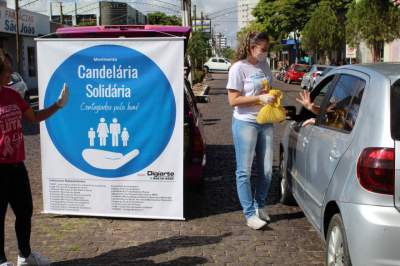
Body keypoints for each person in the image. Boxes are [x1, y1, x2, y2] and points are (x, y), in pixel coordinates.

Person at [0, 49, 68, 266]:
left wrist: (58, 105)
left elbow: (33, 117)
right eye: (7, 71)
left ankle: (25, 255)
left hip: (17, 166)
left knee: (25, 211)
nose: (11, 75)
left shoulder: (12, 94)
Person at [226, 31, 276, 230]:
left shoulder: (264, 65)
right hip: (245, 122)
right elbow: (233, 100)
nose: (265, 53)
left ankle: (260, 206)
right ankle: (249, 214)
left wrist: (272, 96)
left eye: (267, 49)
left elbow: (267, 88)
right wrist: (259, 99)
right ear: (251, 48)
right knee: (244, 171)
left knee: (267, 170)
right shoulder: (238, 68)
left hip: (266, 120)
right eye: (262, 49)